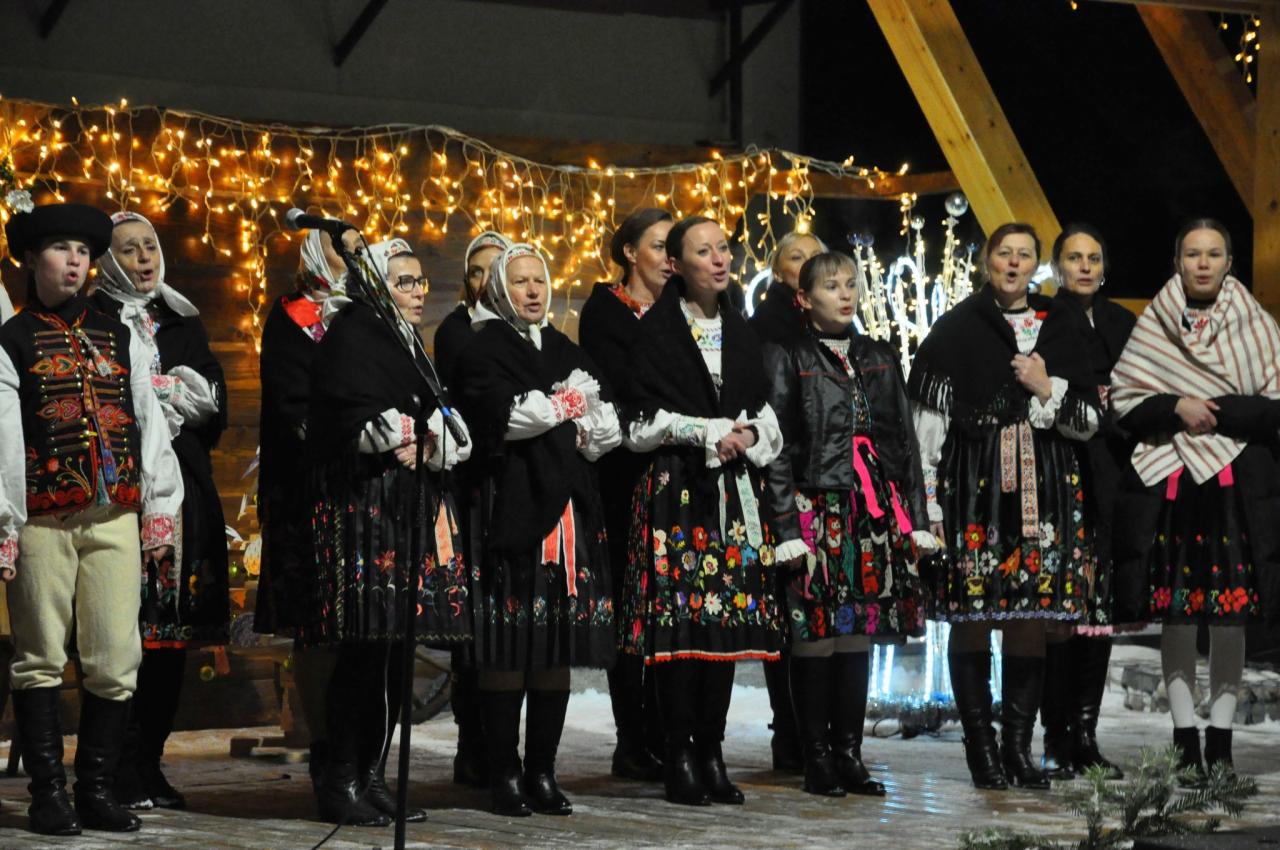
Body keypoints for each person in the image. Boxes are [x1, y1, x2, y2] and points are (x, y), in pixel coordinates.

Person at [0, 203, 183, 835]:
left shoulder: (119, 336)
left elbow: (147, 422)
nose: (74, 261)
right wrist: (5, 523)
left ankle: (97, 789)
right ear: (32, 259)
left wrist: (159, 508)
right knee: (40, 656)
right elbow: (2, 437)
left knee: (115, 656)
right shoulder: (13, 340)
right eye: (60, 249)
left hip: (113, 517)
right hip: (42, 520)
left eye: (83, 250)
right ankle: (48, 793)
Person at [908, 222, 1099, 790]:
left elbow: (1088, 422)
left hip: (1046, 490)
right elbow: (928, 429)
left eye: (1024, 255)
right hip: (975, 489)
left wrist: (1045, 386)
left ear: (1037, 265)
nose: (1013, 264)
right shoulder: (957, 328)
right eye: (1004, 254)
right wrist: (928, 505)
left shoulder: (1060, 324)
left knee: (1029, 617)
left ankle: (1017, 747)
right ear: (988, 261)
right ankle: (981, 749)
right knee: (972, 614)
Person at [304, 237, 474, 826]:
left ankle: (371, 775)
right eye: (404, 282)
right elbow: (351, 416)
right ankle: (341, 779)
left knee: (391, 652)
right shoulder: (354, 332)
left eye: (421, 281)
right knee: (363, 650)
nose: (418, 292)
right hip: (364, 511)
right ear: (375, 286)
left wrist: (428, 438)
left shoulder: (404, 341)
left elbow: (446, 422)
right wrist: (414, 433)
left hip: (404, 509)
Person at [619, 215, 785, 806]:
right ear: (675, 265)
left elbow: (765, 413)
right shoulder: (655, 333)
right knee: (682, 629)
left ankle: (712, 751)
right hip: (679, 494)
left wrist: (750, 435)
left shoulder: (740, 330)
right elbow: (637, 423)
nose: (719, 259)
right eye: (703, 251)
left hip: (733, 498)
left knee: (725, 624)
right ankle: (679, 754)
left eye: (723, 248)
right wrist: (707, 430)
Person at [1111, 218, 1280, 781]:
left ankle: (1222, 743)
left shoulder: (1257, 323)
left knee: (1231, 619)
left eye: (1213, 254)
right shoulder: (1156, 322)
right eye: (1192, 254)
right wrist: (1174, 406)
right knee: (1177, 615)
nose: (1202, 263)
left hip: (1234, 486)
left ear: (1229, 262)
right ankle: (1185, 740)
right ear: (1177, 261)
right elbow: (1126, 399)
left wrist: (1218, 410)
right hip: (1173, 482)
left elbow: (1275, 405)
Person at [763, 252, 936, 797]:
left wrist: (916, 519)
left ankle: (849, 753)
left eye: (851, 285)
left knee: (858, 632)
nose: (844, 294)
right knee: (816, 632)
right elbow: (777, 446)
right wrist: (787, 526)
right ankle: (814, 755)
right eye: (831, 285)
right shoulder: (789, 355)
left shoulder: (878, 355)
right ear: (804, 297)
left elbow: (904, 441)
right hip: (817, 508)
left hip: (870, 510)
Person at [456, 243, 620, 817]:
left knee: (554, 645)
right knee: (507, 647)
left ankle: (542, 772)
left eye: (539, 281)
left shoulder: (563, 347)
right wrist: (568, 404)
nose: (533, 291)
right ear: (501, 290)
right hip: (510, 508)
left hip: (568, 510)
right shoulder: (485, 348)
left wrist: (563, 411)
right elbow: (506, 418)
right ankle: (503, 771)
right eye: (521, 281)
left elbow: (605, 428)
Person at [88, 211, 230, 810]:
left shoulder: (180, 319)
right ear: (107, 260)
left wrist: (174, 394)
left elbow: (215, 401)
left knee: (170, 637)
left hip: (182, 494)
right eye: (129, 249)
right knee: (123, 636)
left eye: (150, 246)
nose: (144, 258)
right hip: (121, 496)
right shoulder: (93, 319)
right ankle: (113, 767)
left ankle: (149, 764)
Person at [253, 226, 359, 794]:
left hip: (364, 493)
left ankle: (362, 757)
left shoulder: (366, 313)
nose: (352, 259)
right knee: (319, 628)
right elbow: (293, 405)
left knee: (362, 628)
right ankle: (326, 752)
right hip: (308, 492)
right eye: (343, 251)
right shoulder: (291, 318)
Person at [578, 207, 672, 781]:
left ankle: (667, 733)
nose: (669, 258)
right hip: (625, 476)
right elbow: (625, 386)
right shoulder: (606, 311)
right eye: (659, 246)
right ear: (631, 253)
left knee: (667, 603)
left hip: (677, 475)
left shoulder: (683, 309)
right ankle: (632, 737)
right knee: (630, 605)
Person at [1038, 224, 1135, 781]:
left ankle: (1085, 735)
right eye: (1074, 258)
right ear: (1058, 267)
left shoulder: (1123, 322)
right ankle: (1054, 737)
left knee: (1098, 612)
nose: (1084, 267)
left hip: (1112, 473)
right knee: (1061, 614)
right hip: (1060, 472)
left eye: (1093, 258)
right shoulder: (1046, 319)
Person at [431, 229, 510, 789]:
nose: (486, 280)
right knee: (473, 626)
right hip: (473, 488)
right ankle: (472, 744)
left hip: (517, 490)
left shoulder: (526, 332)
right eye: (477, 271)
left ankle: (504, 745)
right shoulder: (458, 331)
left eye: (496, 269)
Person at [749, 229, 827, 770]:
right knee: (790, 611)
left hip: (829, 481)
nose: (807, 263)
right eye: (795, 257)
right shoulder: (768, 328)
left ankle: (819, 731)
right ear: (779, 272)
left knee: (820, 612)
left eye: (815, 255)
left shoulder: (834, 326)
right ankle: (791, 730)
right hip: (785, 477)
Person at [434, 230, 510, 381]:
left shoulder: (531, 326)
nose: (485, 283)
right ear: (467, 282)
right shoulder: (453, 330)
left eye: (495, 270)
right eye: (476, 273)